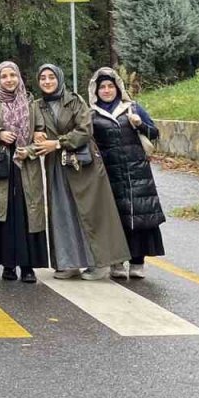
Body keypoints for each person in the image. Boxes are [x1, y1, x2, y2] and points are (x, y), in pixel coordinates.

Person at [32, 64, 132, 281]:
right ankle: (70, 263)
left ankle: (102, 263)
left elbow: (85, 130)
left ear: (59, 79)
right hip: (56, 166)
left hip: (83, 164)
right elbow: (34, 129)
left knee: (94, 212)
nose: (47, 81)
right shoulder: (36, 106)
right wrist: (36, 136)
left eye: (51, 77)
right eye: (43, 78)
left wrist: (57, 143)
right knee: (62, 212)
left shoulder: (75, 101)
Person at [0, 62, 48, 283]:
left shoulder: (31, 103)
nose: (9, 79)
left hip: (26, 166)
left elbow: (40, 133)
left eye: (13, 75)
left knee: (26, 216)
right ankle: (8, 265)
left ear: (19, 77)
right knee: (4, 216)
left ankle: (28, 266)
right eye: (4, 76)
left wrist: (30, 151)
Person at [89, 67, 166, 279]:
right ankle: (117, 262)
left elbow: (154, 133)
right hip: (109, 173)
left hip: (136, 171)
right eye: (102, 87)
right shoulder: (92, 114)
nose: (106, 90)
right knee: (114, 218)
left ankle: (138, 261)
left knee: (139, 215)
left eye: (110, 86)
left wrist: (140, 124)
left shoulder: (132, 108)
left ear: (117, 88)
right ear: (95, 90)